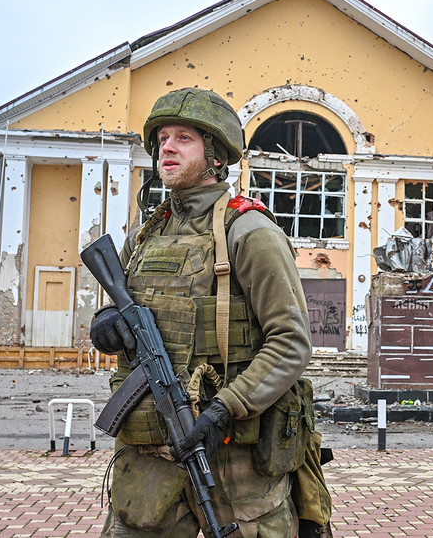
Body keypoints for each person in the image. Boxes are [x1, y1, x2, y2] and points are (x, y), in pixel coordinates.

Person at [90, 87, 315, 537]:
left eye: (183, 138)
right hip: (149, 457)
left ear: (215, 156)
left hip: (234, 458)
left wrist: (224, 409)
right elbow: (118, 307)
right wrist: (105, 325)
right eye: (162, 139)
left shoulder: (249, 232)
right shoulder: (145, 236)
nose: (167, 148)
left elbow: (291, 342)